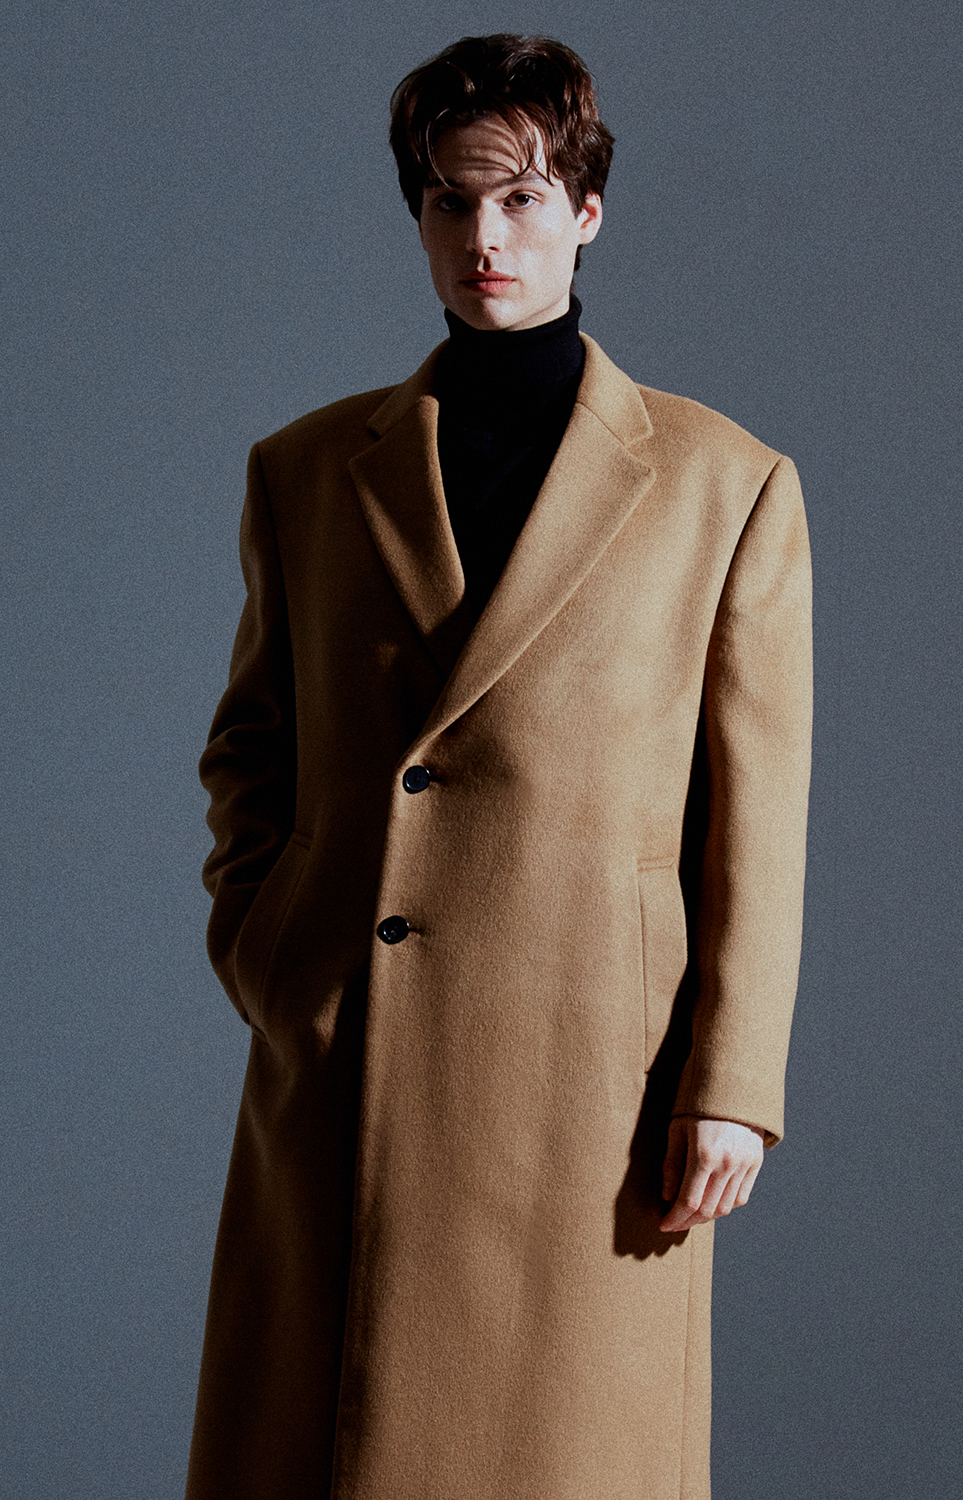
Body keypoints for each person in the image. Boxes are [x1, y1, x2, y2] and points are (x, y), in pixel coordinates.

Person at [186, 32, 812, 1500]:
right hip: (346, 1059)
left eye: (522, 199)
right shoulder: (307, 468)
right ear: (418, 216)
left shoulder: (723, 483)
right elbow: (251, 747)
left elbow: (756, 813)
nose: (485, 238)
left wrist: (732, 1080)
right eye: (450, 202)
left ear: (588, 211)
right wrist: (277, 952)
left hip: (595, 1080)